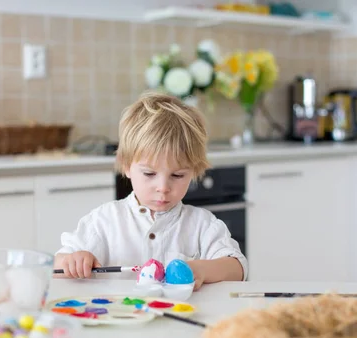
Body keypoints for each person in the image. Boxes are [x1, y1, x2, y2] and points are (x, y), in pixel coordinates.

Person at [54, 91, 247, 289]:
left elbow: (238, 268)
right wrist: (73, 261)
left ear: (194, 171)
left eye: (177, 175)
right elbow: (58, 265)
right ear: (127, 166)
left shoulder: (202, 225)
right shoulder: (104, 221)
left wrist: (201, 270)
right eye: (149, 174)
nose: (163, 188)